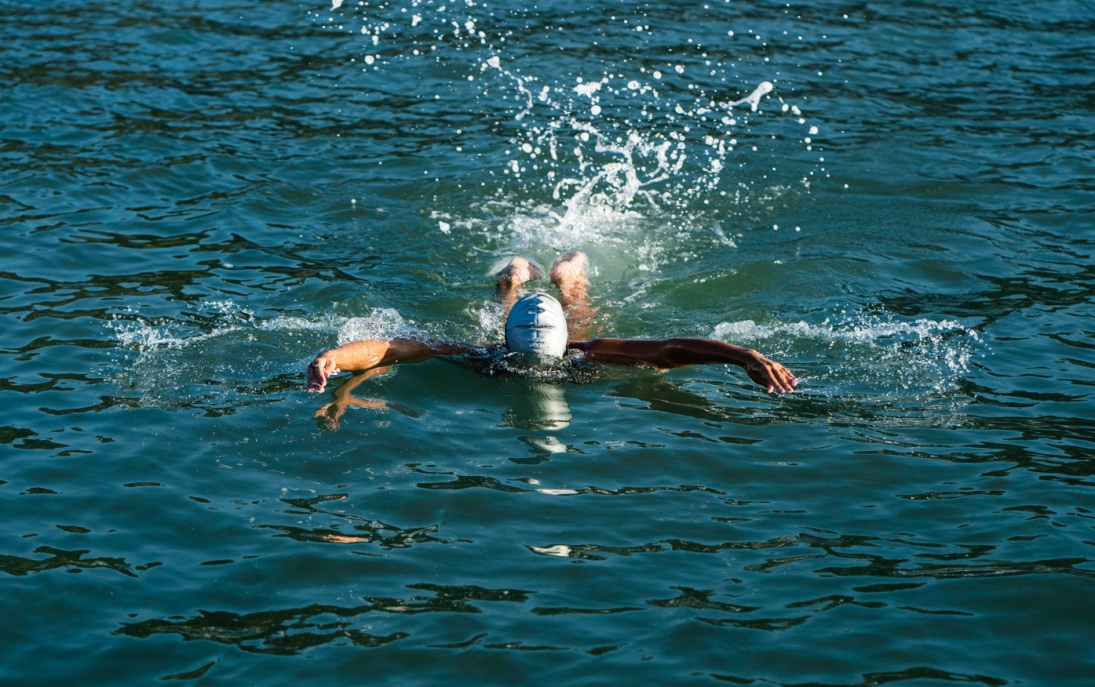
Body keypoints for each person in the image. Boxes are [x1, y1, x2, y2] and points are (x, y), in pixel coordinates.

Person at [305, 251, 797, 395]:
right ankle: (520, 279)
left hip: (558, 334)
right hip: (538, 335)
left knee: (576, 310)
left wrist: (744, 355)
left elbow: (670, 348)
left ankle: (554, 277)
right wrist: (334, 358)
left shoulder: (585, 349)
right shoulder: (493, 356)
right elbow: (391, 347)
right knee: (524, 308)